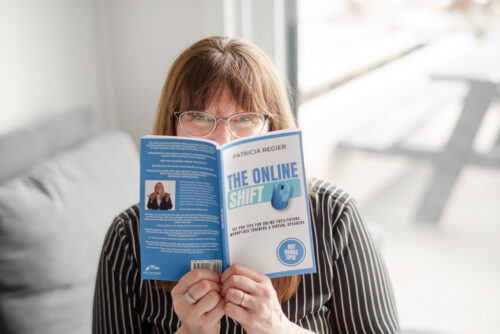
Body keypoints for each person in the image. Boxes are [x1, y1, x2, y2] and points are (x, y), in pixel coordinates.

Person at [93, 36, 399, 334]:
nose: (222, 140)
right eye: (199, 117)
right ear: (172, 127)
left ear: (272, 125)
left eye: (245, 118)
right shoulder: (127, 236)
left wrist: (277, 328)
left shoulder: (335, 216)